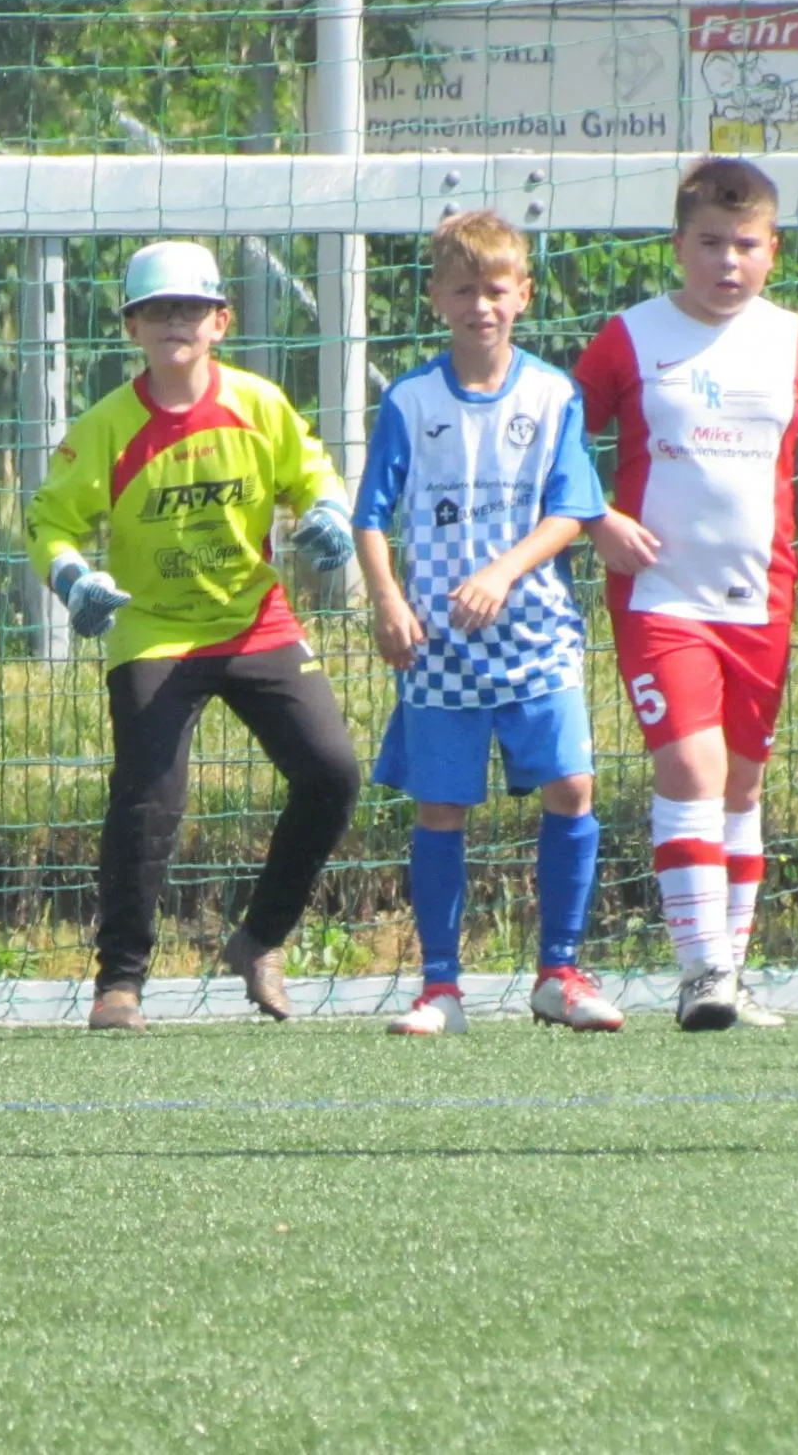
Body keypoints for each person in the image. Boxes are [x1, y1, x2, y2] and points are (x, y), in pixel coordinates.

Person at [22, 240, 360, 1033]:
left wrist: (329, 514)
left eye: (191, 308)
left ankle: (260, 939)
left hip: (255, 622)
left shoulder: (260, 405)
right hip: (153, 632)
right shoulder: (106, 427)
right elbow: (49, 521)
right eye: (157, 310)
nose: (175, 321)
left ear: (221, 322)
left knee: (333, 774)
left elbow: (314, 474)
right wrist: (72, 578)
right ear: (131, 328)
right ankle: (120, 985)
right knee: (148, 800)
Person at [354, 210, 620, 1037]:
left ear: (524, 295)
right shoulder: (410, 400)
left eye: (497, 290)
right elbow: (369, 516)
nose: (482, 306)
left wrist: (504, 571)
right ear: (437, 298)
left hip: (536, 633)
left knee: (572, 785)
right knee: (441, 806)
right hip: (438, 646)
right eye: (464, 290)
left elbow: (572, 509)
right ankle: (441, 988)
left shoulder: (553, 394)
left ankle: (559, 972)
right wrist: (388, 599)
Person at [574, 158, 798, 1033]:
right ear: (678, 246)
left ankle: (731, 975)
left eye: (745, 244)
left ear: (773, 250)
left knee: (742, 785)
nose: (727, 261)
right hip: (660, 596)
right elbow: (559, 441)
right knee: (692, 769)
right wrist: (597, 517)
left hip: (762, 598)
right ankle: (702, 969)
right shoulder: (630, 337)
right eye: (709, 243)